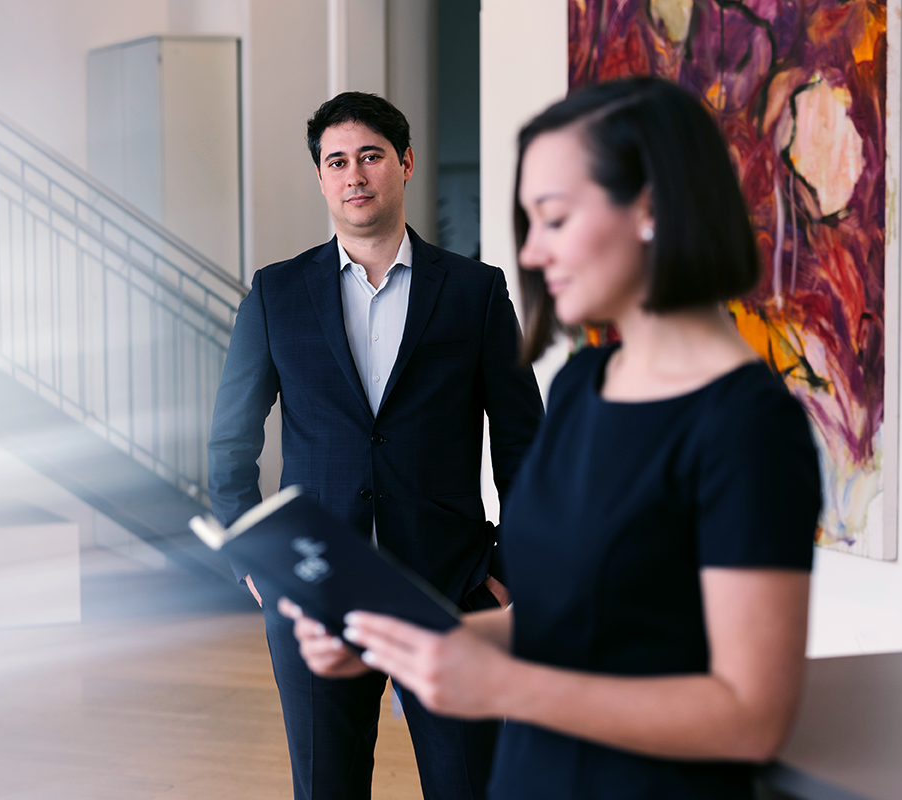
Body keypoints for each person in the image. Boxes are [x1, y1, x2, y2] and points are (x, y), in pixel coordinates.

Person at [283, 77, 823, 799]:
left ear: (652, 209)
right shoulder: (583, 384)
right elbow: (568, 624)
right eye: (527, 222)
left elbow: (749, 718)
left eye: (555, 219)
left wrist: (507, 681)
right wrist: (409, 646)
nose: (531, 253)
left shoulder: (748, 426)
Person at [207, 91, 544, 800]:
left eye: (370, 156)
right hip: (313, 595)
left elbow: (527, 446)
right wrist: (260, 570)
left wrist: (507, 572)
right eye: (337, 161)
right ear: (322, 178)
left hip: (451, 592)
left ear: (405, 163)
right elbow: (230, 443)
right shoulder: (276, 295)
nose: (354, 173)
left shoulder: (475, 294)